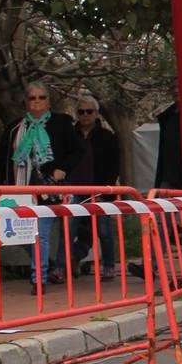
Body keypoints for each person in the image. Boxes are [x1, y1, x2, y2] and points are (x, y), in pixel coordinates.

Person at [0, 81, 83, 293]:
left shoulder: (60, 124)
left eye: (41, 97)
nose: (37, 102)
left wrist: (62, 169)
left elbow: (78, 151)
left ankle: (38, 279)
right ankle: (45, 265)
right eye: (33, 98)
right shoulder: (15, 127)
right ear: (26, 101)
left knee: (39, 233)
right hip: (19, 189)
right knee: (15, 233)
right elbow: (0, 159)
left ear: (48, 101)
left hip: (48, 189)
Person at [51, 94, 120, 280]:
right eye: (81, 111)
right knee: (68, 230)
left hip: (99, 190)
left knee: (104, 231)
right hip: (74, 189)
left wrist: (106, 191)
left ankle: (109, 266)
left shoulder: (107, 137)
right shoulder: (70, 136)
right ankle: (60, 267)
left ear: (96, 113)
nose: (85, 115)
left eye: (89, 111)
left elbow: (114, 166)